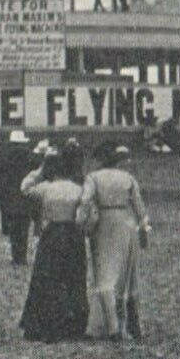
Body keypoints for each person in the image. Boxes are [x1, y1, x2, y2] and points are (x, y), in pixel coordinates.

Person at [78, 143, 149, 340]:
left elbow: (85, 201)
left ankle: (113, 327)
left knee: (105, 275)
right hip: (126, 222)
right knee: (128, 274)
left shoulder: (94, 178)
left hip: (105, 223)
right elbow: (139, 206)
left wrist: (81, 223)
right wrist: (144, 229)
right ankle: (132, 323)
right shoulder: (127, 178)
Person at [18, 146, 89, 342]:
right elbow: (86, 212)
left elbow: (25, 188)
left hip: (52, 233)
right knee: (73, 277)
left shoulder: (46, 188)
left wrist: (40, 169)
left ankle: (45, 324)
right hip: (72, 233)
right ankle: (72, 323)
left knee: (48, 278)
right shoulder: (78, 189)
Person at [0, 130, 38, 266]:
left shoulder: (6, 158)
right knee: (24, 228)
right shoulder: (30, 157)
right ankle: (22, 257)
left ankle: (15, 256)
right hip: (25, 196)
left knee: (13, 229)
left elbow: (2, 179)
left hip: (11, 197)